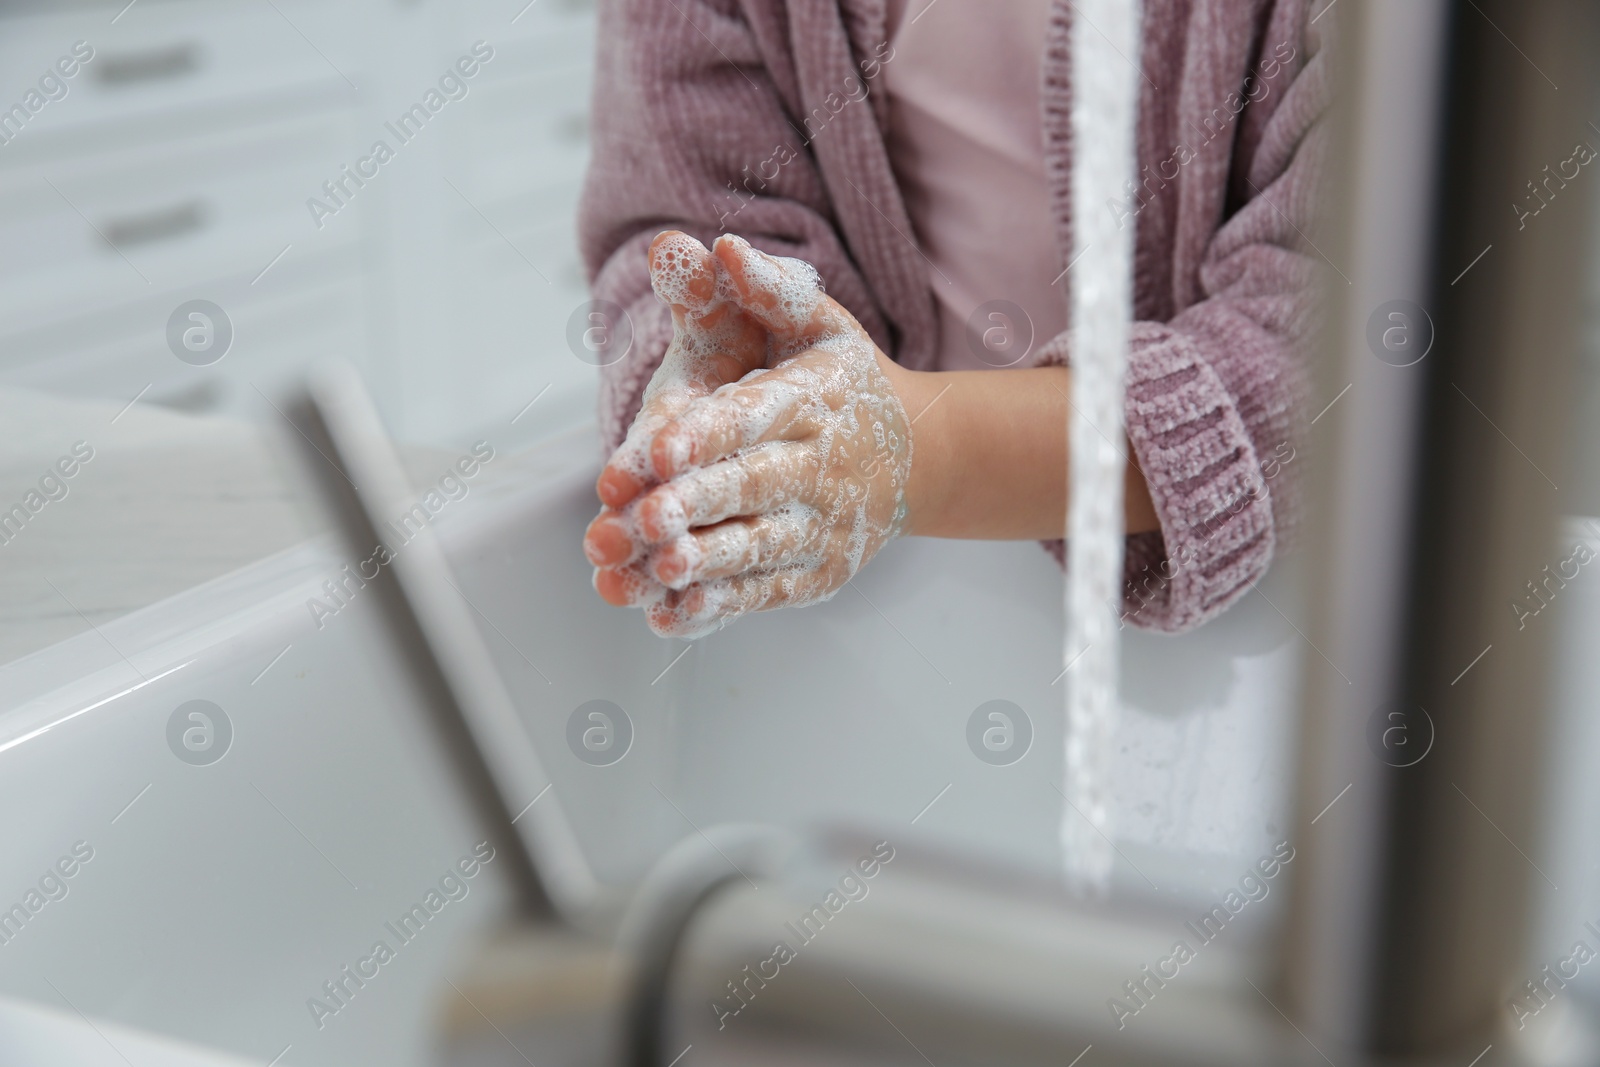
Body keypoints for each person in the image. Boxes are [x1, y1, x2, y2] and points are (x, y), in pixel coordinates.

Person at [578, 0, 1328, 639]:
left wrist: (918, 453)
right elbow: (681, 204)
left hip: (1254, 631)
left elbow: (1328, 331)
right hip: (881, 595)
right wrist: (728, 383)